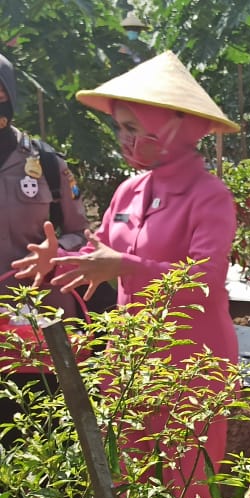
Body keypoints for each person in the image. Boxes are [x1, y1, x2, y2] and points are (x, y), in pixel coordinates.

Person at [12, 51, 240, 498]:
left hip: (190, 360)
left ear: (177, 129)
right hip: (129, 354)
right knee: (124, 475)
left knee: (184, 482)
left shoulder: (210, 197)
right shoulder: (129, 190)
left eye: (133, 128)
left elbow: (204, 281)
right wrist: (60, 259)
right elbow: (103, 252)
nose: (123, 139)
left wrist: (125, 267)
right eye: (119, 127)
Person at [0, 53, 89, 433]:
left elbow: (81, 234)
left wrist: (58, 254)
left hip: (40, 328)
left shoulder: (47, 162)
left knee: (45, 436)